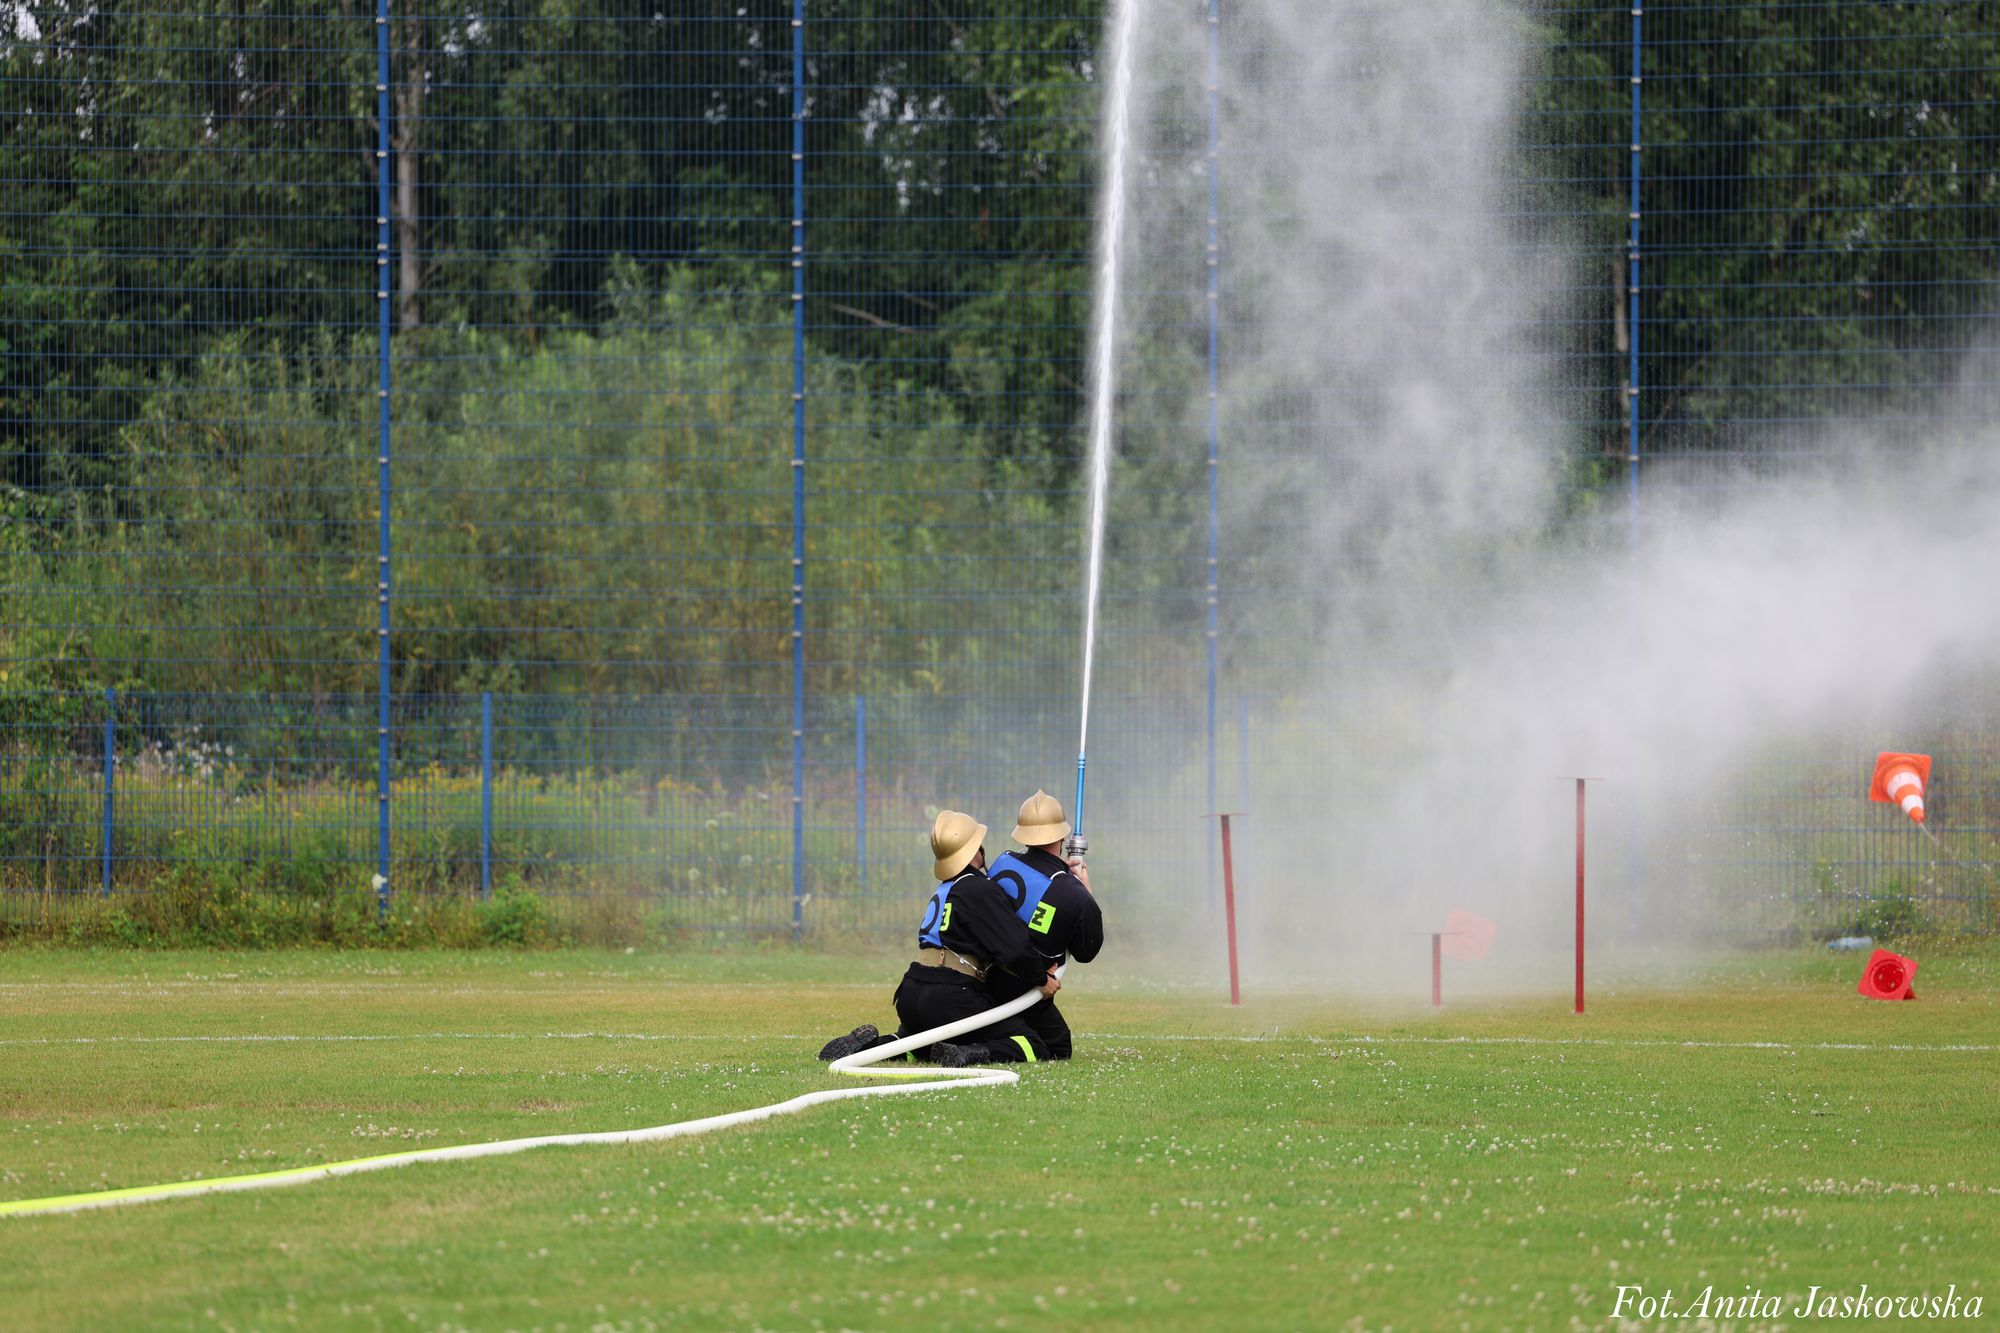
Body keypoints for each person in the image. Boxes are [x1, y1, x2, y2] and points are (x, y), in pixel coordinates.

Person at [817, 809, 1061, 1067]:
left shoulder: (945, 889)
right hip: (951, 998)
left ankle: (870, 1048)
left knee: (918, 1044)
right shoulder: (978, 889)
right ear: (975, 849)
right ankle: (970, 1052)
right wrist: (1040, 978)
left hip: (912, 993)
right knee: (1032, 1044)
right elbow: (1014, 948)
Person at [982, 789, 1103, 1060]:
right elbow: (1087, 951)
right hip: (1024, 987)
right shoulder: (1070, 891)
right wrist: (1085, 891)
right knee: (1057, 1046)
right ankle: (979, 1051)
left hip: (981, 980)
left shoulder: (1003, 862)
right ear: (1061, 836)